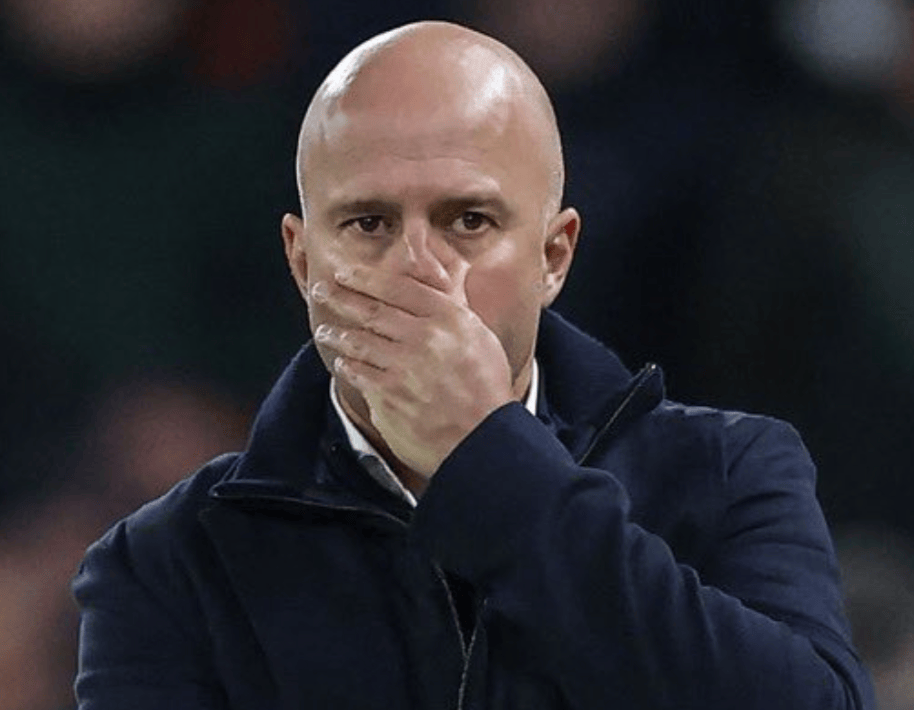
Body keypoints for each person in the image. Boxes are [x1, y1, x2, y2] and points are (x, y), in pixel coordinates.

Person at [72, 20, 875, 709]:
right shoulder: (165, 563)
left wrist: (492, 465)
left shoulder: (726, 473)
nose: (418, 271)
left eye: (468, 220)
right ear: (301, 259)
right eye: (368, 223)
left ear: (553, 256)